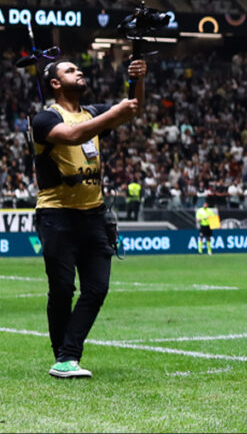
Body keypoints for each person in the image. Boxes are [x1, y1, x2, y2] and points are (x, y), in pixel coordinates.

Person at [33, 57, 147, 378]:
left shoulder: (92, 112)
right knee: (62, 289)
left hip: (95, 216)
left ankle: (67, 356)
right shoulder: (43, 119)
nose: (78, 72)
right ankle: (65, 356)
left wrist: (137, 79)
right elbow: (72, 136)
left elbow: (132, 106)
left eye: (78, 69)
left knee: (96, 288)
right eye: (70, 70)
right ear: (55, 83)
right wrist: (114, 115)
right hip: (57, 215)